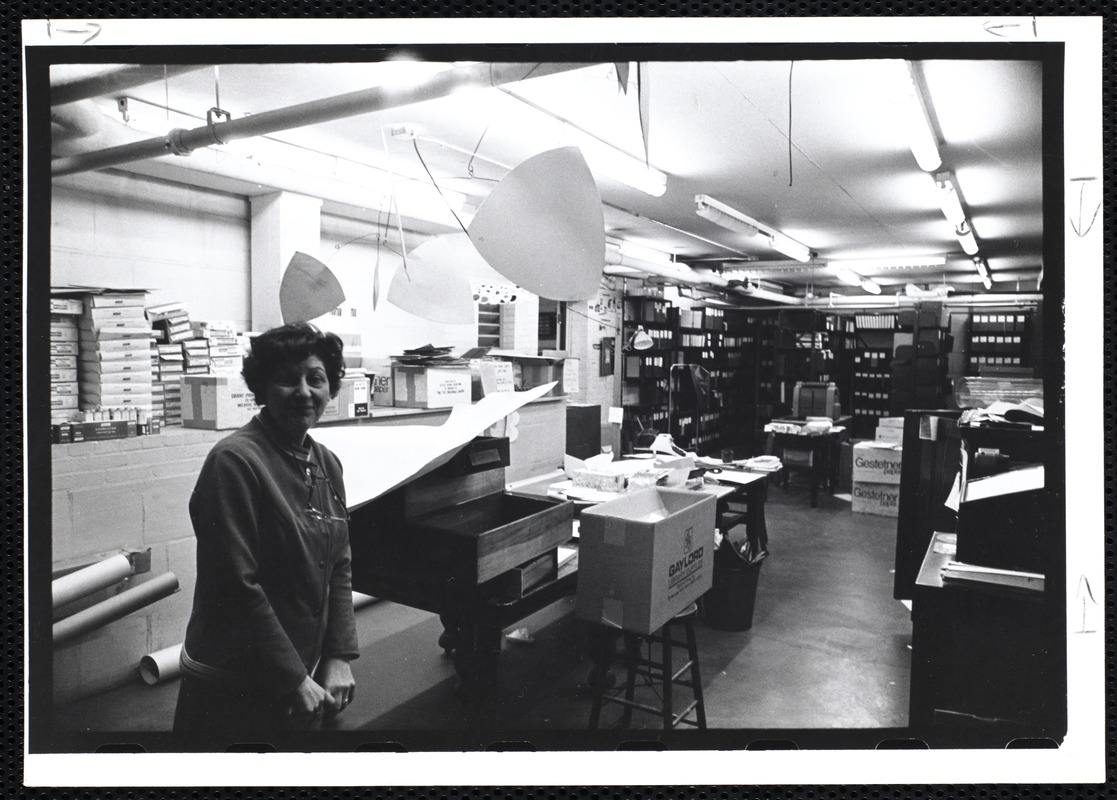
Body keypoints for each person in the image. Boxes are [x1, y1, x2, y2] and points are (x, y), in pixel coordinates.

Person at [173, 323, 359, 736]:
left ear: (331, 388)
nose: (304, 391)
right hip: (232, 683)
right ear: (261, 390)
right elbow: (236, 585)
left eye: (315, 378)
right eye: (286, 380)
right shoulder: (234, 462)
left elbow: (339, 563)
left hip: (302, 679)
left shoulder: (326, 462)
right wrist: (293, 677)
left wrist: (338, 655)